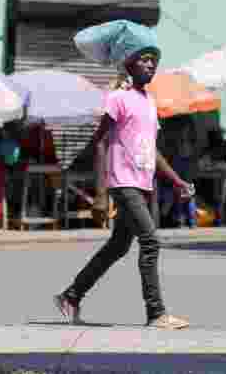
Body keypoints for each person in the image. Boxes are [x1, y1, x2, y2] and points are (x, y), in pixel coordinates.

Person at [54, 27, 191, 330]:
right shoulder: (118, 98)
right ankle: (156, 313)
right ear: (129, 63)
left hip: (143, 185)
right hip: (123, 183)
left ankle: (71, 296)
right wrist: (101, 193)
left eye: (155, 60)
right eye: (145, 59)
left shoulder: (149, 103)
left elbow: (152, 151)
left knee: (118, 246)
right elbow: (100, 143)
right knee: (151, 241)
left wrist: (177, 181)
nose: (151, 65)